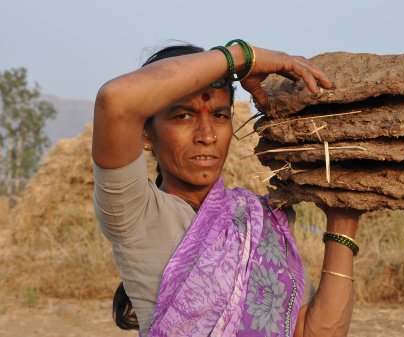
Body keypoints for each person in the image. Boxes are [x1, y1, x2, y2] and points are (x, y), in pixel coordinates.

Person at [93, 40, 360, 337]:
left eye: (220, 115)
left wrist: (342, 224)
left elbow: (313, 333)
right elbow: (115, 101)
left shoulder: (258, 220)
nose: (207, 135)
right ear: (146, 132)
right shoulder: (134, 213)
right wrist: (241, 56)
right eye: (183, 116)